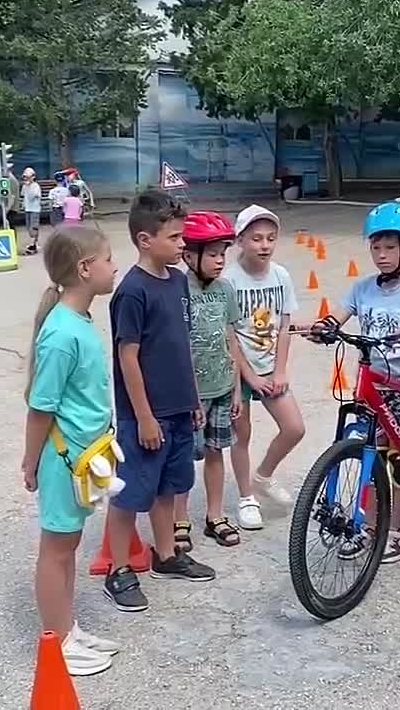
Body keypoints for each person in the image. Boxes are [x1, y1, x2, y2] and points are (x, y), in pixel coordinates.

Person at [307, 202, 400, 563]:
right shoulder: (362, 288)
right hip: (370, 387)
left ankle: (397, 528)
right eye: (376, 247)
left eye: (390, 247)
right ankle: (368, 528)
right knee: (369, 456)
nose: (381, 255)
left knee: (399, 461)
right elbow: (337, 315)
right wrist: (324, 328)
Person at [103, 190, 215, 614]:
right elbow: (127, 358)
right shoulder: (131, 292)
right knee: (130, 494)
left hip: (179, 409)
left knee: (171, 486)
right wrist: (144, 418)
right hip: (144, 417)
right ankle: (118, 569)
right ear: (145, 240)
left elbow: (181, 342)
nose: (183, 244)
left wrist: (193, 397)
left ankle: (166, 555)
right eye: (174, 237)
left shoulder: (179, 281)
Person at [21, 223, 121, 677]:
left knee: (71, 543)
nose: (114, 266)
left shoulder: (78, 321)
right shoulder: (62, 334)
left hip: (85, 456)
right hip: (64, 459)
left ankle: (68, 627)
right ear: (85, 269)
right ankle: (56, 640)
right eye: (107, 259)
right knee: (56, 548)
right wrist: (30, 460)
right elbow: (41, 406)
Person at [222, 204, 305, 530]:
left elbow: (285, 327)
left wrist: (280, 370)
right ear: (240, 240)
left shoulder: (281, 275)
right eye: (256, 238)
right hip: (239, 371)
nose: (264, 245)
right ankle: (246, 498)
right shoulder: (228, 281)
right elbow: (229, 335)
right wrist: (249, 376)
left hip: (270, 367)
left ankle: (263, 477)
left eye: (270, 238)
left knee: (295, 427)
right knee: (242, 435)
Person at [173, 211, 247, 550]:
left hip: (221, 388)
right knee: (184, 457)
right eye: (213, 254)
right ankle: (179, 518)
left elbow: (231, 338)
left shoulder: (225, 290)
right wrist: (186, 397)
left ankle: (214, 515)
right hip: (190, 394)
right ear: (189, 255)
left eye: (223, 253)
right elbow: (174, 347)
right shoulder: (176, 291)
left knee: (217, 451)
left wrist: (236, 390)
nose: (220, 261)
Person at [21, 168, 43, 255]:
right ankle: (33, 243)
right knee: (28, 227)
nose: (26, 179)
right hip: (28, 208)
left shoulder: (35, 186)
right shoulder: (25, 186)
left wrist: (29, 186)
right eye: (25, 177)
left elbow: (32, 196)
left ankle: (33, 245)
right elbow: (23, 195)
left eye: (28, 177)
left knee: (33, 227)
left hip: (35, 209)